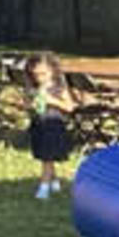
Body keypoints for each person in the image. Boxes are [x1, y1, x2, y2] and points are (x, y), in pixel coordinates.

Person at [25, 54, 77, 199]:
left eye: (43, 74)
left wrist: (53, 101)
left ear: (52, 71)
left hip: (53, 125)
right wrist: (30, 105)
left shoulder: (59, 88)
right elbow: (26, 104)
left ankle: (44, 187)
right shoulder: (34, 88)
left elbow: (70, 107)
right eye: (36, 75)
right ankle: (54, 182)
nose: (40, 78)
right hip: (39, 125)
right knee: (44, 156)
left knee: (47, 158)